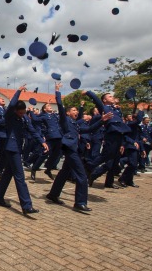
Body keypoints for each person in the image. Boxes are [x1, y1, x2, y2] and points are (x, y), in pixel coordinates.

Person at [46, 82, 111, 212]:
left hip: (74, 149)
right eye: (74, 110)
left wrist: (102, 120)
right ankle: (80, 202)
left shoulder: (76, 124)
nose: (76, 112)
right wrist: (57, 91)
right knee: (82, 175)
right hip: (69, 149)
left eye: (77, 110)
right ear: (68, 113)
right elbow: (59, 104)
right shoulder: (65, 120)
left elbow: (89, 129)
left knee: (64, 173)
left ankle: (53, 194)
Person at [0, 85, 47, 215]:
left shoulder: (24, 118)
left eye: (24, 112)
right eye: (20, 112)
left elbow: (32, 131)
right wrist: (18, 91)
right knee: (20, 177)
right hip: (11, 148)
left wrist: (42, 142)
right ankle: (26, 205)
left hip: (17, 147)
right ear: (16, 111)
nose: (23, 114)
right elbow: (12, 104)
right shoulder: (10, 116)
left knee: (7, 175)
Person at [85, 91, 132, 189]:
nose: (112, 97)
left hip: (119, 135)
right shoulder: (104, 107)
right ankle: (88, 167)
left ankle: (108, 182)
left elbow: (121, 123)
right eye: (110, 96)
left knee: (114, 160)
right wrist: (88, 92)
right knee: (106, 156)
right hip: (111, 135)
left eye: (112, 96)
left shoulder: (116, 109)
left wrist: (122, 143)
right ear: (104, 100)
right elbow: (97, 100)